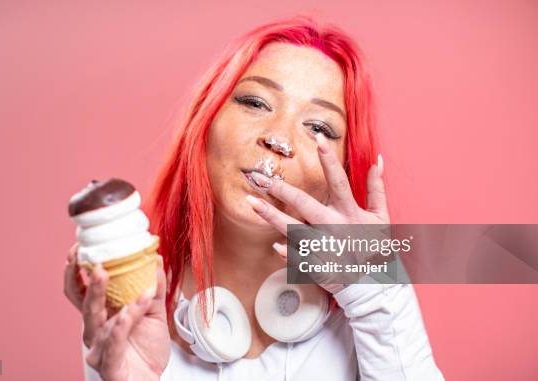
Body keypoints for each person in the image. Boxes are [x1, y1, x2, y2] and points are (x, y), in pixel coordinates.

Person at [63, 16, 445, 381]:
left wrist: (379, 294)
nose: (278, 138)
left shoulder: (369, 312)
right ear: (205, 122)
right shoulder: (131, 308)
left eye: (319, 127)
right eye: (255, 103)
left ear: (343, 173)